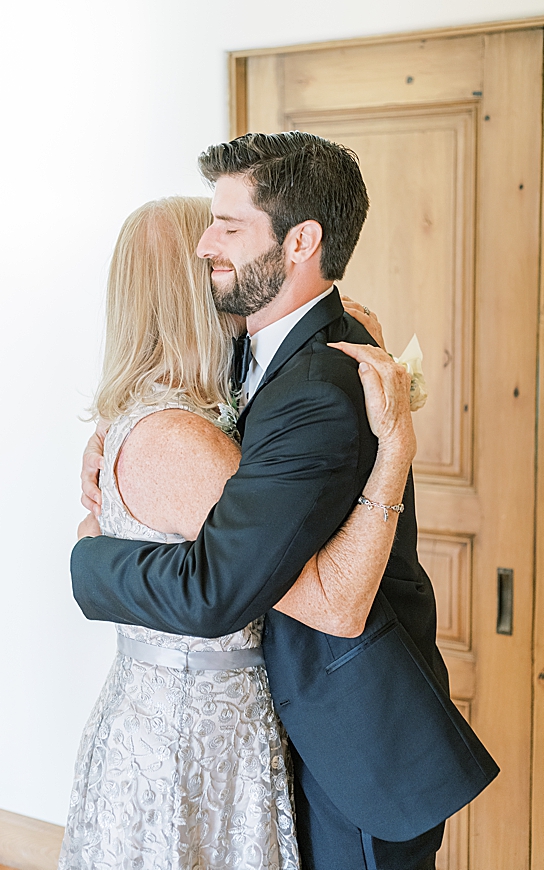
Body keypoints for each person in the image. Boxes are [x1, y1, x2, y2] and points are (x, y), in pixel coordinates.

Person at [72, 133, 498, 870]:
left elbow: (229, 591)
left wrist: (91, 559)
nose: (210, 248)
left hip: (348, 741)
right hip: (269, 728)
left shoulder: (314, 389)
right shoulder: (263, 353)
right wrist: (120, 436)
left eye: (229, 229)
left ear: (301, 242)